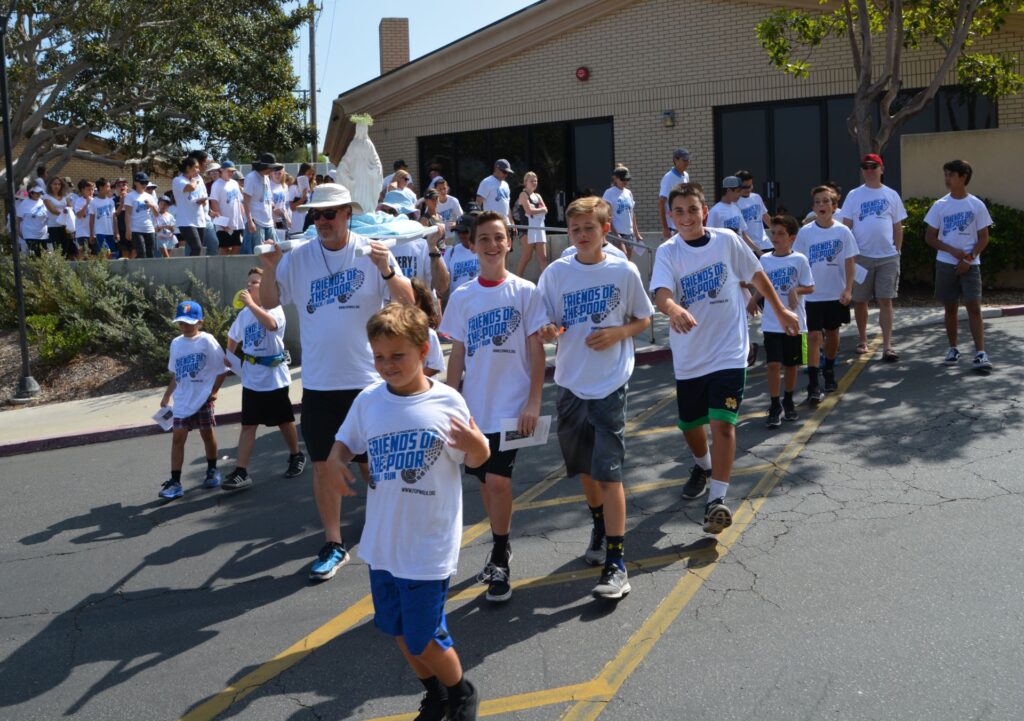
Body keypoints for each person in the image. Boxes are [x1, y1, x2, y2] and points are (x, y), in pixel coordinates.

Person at [326, 302, 487, 721]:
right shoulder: (368, 400)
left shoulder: (446, 401)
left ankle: (461, 693)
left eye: (397, 355)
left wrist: (477, 446)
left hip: (427, 544)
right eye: (379, 356)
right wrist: (336, 461)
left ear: (422, 351)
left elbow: (477, 454)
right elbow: (346, 441)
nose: (387, 365)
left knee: (422, 638)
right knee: (396, 629)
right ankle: (434, 694)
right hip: (383, 542)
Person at [259, 183, 414, 582]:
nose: (322, 221)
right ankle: (333, 542)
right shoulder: (299, 257)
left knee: (374, 464)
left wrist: (387, 268)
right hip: (320, 383)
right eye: (317, 214)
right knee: (326, 465)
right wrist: (273, 267)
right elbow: (272, 301)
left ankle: (390, 526)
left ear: (348, 213)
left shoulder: (371, 250)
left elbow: (408, 300)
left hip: (367, 380)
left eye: (330, 214)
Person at [650, 184, 799, 536]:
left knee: (724, 424)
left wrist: (781, 310)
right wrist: (673, 308)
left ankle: (717, 500)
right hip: (690, 355)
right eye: (679, 211)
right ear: (671, 217)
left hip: (728, 352)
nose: (686, 217)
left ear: (704, 212)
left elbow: (757, 275)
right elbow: (661, 292)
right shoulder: (668, 252)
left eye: (692, 209)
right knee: (690, 425)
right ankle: (701, 466)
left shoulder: (727, 241)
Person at [536, 196, 654, 600]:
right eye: (575, 229)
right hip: (570, 382)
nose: (583, 235)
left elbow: (643, 318)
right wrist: (550, 331)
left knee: (608, 472)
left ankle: (617, 563)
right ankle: (600, 526)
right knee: (585, 469)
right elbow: (545, 321)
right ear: (567, 233)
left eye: (590, 228)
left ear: (606, 230)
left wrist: (619, 333)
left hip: (609, 383)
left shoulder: (624, 270)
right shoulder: (555, 273)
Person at [440, 211, 547, 604]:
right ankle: (498, 544)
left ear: (510, 241)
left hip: (514, 409)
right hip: (474, 410)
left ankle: (501, 555)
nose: (491, 245)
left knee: (499, 480)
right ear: (472, 243)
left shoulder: (525, 291)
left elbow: (538, 351)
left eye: (498, 238)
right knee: (485, 481)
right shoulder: (464, 296)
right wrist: (448, 403)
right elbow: (458, 355)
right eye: (483, 238)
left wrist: (534, 400)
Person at [221, 267, 305, 491]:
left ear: (267, 286)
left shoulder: (275, 308)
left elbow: (271, 325)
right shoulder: (244, 315)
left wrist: (251, 304)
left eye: (255, 283)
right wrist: (231, 358)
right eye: (248, 282)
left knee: (284, 421)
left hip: (274, 379)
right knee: (248, 425)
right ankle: (241, 471)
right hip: (251, 379)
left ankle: (296, 455)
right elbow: (232, 337)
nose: (249, 286)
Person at [923, 159, 993, 371]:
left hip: (971, 265)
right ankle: (953, 348)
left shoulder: (976, 205)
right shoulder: (940, 205)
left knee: (974, 307)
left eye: (951, 175)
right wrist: (952, 251)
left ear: (963, 177)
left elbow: (984, 238)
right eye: (945, 175)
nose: (947, 179)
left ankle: (981, 353)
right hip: (945, 264)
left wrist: (968, 258)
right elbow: (929, 237)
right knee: (950, 308)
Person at [747, 215, 814, 427]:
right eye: (773, 233)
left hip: (796, 322)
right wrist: (753, 299)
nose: (775, 237)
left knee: (791, 364)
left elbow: (810, 286)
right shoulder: (765, 260)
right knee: (773, 364)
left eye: (780, 234)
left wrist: (797, 290)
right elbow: (762, 285)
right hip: (772, 322)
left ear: (792, 238)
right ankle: (775, 404)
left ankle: (789, 400)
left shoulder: (800, 260)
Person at [840, 153, 907, 362]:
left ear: (882, 169)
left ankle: (887, 345)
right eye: (866, 167)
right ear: (862, 171)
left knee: (885, 300)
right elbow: (846, 227)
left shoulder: (891, 195)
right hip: (861, 257)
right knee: (860, 301)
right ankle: (862, 339)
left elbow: (898, 226)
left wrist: (898, 250)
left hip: (888, 257)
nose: (870, 170)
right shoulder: (854, 195)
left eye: (873, 166)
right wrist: (848, 256)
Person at [794, 185, 858, 402]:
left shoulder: (843, 231)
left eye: (825, 202)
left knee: (832, 334)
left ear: (834, 206)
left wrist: (848, 289)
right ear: (813, 207)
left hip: (835, 293)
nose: (821, 205)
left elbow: (850, 263)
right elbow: (799, 263)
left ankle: (829, 369)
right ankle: (813, 383)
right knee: (813, 336)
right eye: (817, 202)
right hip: (812, 295)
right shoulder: (805, 232)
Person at [158, 301, 227, 500]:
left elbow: (223, 369)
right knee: (178, 437)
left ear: (200, 322)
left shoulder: (207, 341)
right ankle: (175, 482)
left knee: (207, 434)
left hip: (203, 396)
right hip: (182, 399)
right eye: (181, 322)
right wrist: (167, 395)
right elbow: (177, 374)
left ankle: (212, 470)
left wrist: (214, 391)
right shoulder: (176, 343)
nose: (184, 326)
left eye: (189, 322)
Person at [707, 176, 759, 255]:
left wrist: (758, 250)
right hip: (725, 254)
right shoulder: (715, 211)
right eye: (738, 191)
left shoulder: (736, 207)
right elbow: (709, 236)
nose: (740, 194)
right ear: (728, 190)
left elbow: (743, 234)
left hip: (739, 253)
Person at [602, 165, 642, 260]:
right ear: (615, 178)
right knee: (622, 257)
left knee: (628, 261)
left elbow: (631, 213)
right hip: (616, 232)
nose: (626, 182)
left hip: (629, 232)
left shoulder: (628, 193)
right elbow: (607, 216)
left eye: (627, 179)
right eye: (623, 179)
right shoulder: (609, 193)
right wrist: (616, 233)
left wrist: (637, 233)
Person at [244, 152, 282, 253]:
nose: (272, 170)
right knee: (258, 251)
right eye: (270, 168)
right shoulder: (251, 177)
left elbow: (267, 198)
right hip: (256, 220)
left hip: (268, 220)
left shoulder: (266, 178)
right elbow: (246, 201)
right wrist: (250, 221)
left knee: (275, 249)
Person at [513, 171, 549, 278]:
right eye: (531, 181)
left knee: (543, 258)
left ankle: (547, 284)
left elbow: (546, 209)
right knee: (527, 256)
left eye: (536, 180)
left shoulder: (537, 195)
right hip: (527, 230)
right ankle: (518, 279)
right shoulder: (523, 195)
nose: (534, 183)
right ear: (525, 182)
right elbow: (529, 211)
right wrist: (540, 209)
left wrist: (537, 209)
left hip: (539, 229)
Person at [410, 278, 446, 377]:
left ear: (422, 303)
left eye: (413, 301)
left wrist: (410, 381)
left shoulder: (429, 334)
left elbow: (435, 366)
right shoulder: (393, 335)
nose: (408, 306)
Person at [172, 157, 207, 257]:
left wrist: (202, 201)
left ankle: (193, 271)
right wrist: (195, 180)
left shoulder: (198, 180)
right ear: (188, 168)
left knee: (199, 249)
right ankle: (189, 272)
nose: (198, 170)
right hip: (186, 222)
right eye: (196, 167)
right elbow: (190, 187)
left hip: (199, 220)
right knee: (197, 248)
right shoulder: (178, 180)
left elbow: (203, 197)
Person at [210, 161, 245, 255]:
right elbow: (214, 203)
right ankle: (221, 268)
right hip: (224, 223)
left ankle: (231, 268)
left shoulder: (234, 183)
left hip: (237, 222)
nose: (231, 173)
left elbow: (239, 201)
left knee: (237, 246)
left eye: (232, 171)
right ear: (221, 170)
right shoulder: (216, 185)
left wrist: (243, 217)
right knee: (224, 248)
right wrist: (222, 222)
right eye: (229, 171)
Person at [443, 213, 482, 294]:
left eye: (464, 232)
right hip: (458, 303)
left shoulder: (483, 250)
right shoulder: (450, 252)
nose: (461, 235)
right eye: (458, 231)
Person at [735, 170, 771, 253]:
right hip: (748, 248)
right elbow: (741, 231)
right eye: (745, 187)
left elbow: (766, 218)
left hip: (766, 244)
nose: (748, 189)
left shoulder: (757, 197)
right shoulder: (734, 203)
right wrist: (757, 250)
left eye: (750, 186)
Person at [125, 172, 159, 259]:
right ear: (136, 182)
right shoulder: (130, 196)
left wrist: (151, 206)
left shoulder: (150, 196)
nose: (144, 185)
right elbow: (128, 214)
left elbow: (156, 214)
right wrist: (128, 230)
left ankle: (150, 272)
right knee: (141, 253)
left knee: (150, 254)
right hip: (136, 229)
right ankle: (141, 272)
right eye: (142, 182)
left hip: (149, 229)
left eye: (146, 183)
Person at [658, 148, 690, 239]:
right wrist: (665, 228)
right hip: (673, 226)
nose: (687, 162)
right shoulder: (668, 178)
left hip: (685, 223)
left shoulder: (686, 175)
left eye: (688, 160)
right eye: (684, 160)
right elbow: (661, 203)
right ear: (676, 160)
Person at [475, 159, 515, 230]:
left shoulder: (506, 185)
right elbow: (478, 204)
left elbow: (507, 205)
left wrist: (512, 222)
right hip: (491, 224)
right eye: (504, 172)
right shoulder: (487, 182)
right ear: (496, 169)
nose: (506, 175)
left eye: (507, 173)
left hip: (506, 224)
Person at [42, 176, 73, 258]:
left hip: (65, 226)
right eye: (54, 184)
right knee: (55, 250)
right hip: (53, 226)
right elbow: (53, 210)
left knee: (65, 249)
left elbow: (70, 207)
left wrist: (68, 210)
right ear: (50, 185)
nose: (57, 186)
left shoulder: (65, 196)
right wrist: (64, 211)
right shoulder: (46, 197)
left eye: (59, 184)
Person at [16, 181, 48, 256]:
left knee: (43, 255)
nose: (38, 194)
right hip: (29, 233)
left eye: (40, 192)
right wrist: (18, 231)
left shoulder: (43, 202)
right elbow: (18, 219)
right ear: (31, 193)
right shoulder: (24, 203)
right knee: (34, 254)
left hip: (42, 234)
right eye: (36, 193)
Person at [91, 178, 118, 257]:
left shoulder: (111, 201)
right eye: (107, 187)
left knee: (112, 254)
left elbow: (114, 217)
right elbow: (91, 219)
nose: (109, 189)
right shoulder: (94, 202)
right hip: (99, 232)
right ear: (101, 188)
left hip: (110, 232)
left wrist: (116, 232)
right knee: (106, 252)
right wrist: (91, 234)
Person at [289, 162, 316, 233]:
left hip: (309, 225)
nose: (310, 176)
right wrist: (303, 198)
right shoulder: (293, 188)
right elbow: (292, 207)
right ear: (302, 173)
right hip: (297, 226)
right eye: (308, 174)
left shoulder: (311, 188)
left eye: (312, 174)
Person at [72, 179, 95, 257]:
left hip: (92, 233)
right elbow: (79, 215)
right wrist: (87, 204)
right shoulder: (79, 201)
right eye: (88, 190)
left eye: (92, 189)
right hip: (82, 233)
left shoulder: (95, 201)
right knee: (83, 254)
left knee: (93, 255)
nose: (91, 191)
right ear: (82, 190)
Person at [113, 178, 131, 258]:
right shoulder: (114, 200)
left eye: (124, 185)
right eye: (119, 185)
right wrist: (122, 203)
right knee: (124, 251)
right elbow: (115, 215)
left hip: (132, 228)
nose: (122, 187)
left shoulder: (132, 198)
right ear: (116, 188)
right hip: (121, 229)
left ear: (127, 187)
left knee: (134, 250)